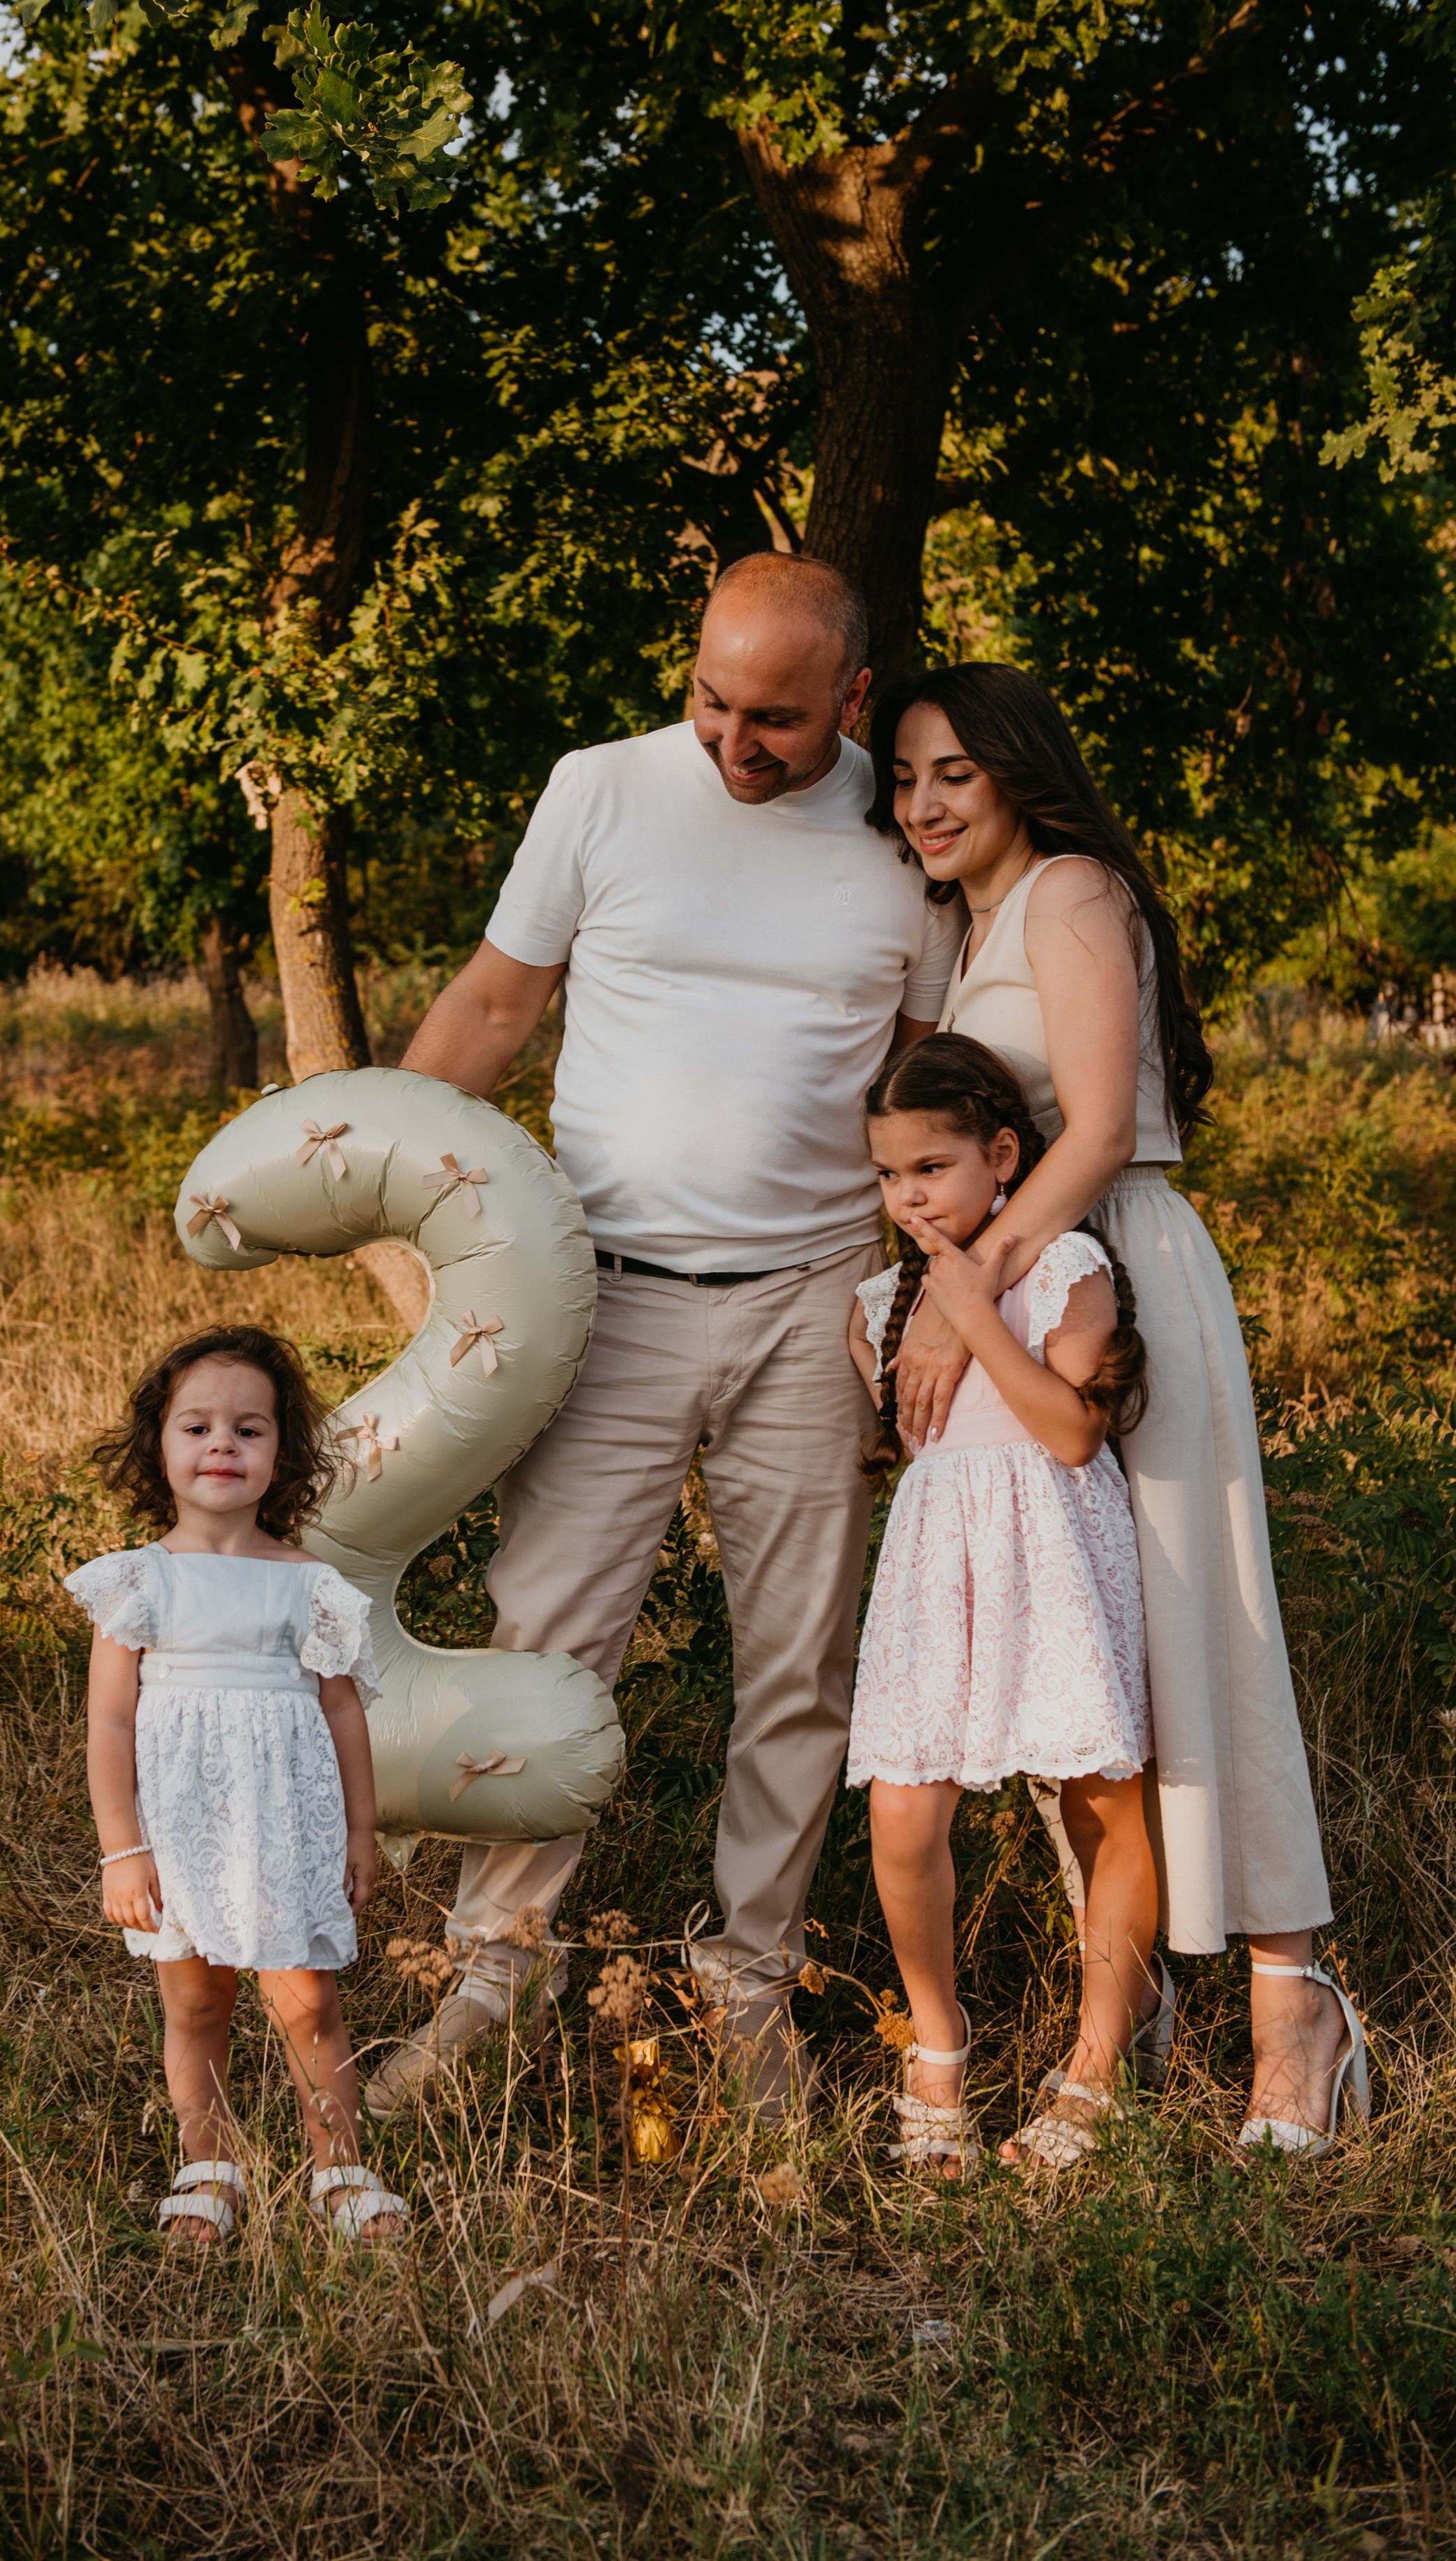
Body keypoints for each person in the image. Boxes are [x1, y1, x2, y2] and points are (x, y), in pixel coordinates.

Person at [366, 551, 959, 2121]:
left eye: (775, 719)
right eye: (710, 700)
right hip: (604, 1295)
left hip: (811, 1301)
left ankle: (751, 1976)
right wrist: (379, 1184)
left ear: (851, 698)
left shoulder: (907, 835)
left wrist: (932, 1297)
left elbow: (922, 1078)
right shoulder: (601, 790)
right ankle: (495, 1970)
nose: (732, 742)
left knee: (798, 1659)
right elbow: (495, 1006)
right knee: (544, 1645)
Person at [869, 664, 1368, 2157]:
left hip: (1113, 1261)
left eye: (954, 771)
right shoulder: (969, 930)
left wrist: (963, 1298)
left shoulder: (1074, 890)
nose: (923, 802)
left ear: (1019, 770)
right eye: (904, 776)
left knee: (1197, 1630)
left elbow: (1088, 1130)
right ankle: (1129, 2003)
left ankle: (1293, 2007)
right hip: (1017, 1290)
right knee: (1082, 1661)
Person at [847, 1034, 1159, 2173]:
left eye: (932, 1166)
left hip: (1055, 1547)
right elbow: (916, 1451)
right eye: (890, 1174)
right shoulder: (878, 1303)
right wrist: (933, 1305)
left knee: (1100, 1804)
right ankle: (938, 2046)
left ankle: (1098, 2061)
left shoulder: (1064, 1266)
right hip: (940, 1568)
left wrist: (974, 1309)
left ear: (1005, 1156)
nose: (909, 1196)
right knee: (903, 1812)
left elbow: (1073, 1433)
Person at [69, 1324, 409, 2245]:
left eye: (249, 1429)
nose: (222, 1444)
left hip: (287, 1824)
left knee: (308, 2003)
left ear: (281, 1454)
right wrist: (122, 1849)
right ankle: (209, 2166)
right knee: (196, 2000)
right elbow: (109, 1726)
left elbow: (343, 1713)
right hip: (180, 1828)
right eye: (198, 1427)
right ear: (160, 1447)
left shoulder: (307, 1582)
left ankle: (339, 2170)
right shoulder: (138, 1582)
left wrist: (360, 1832)